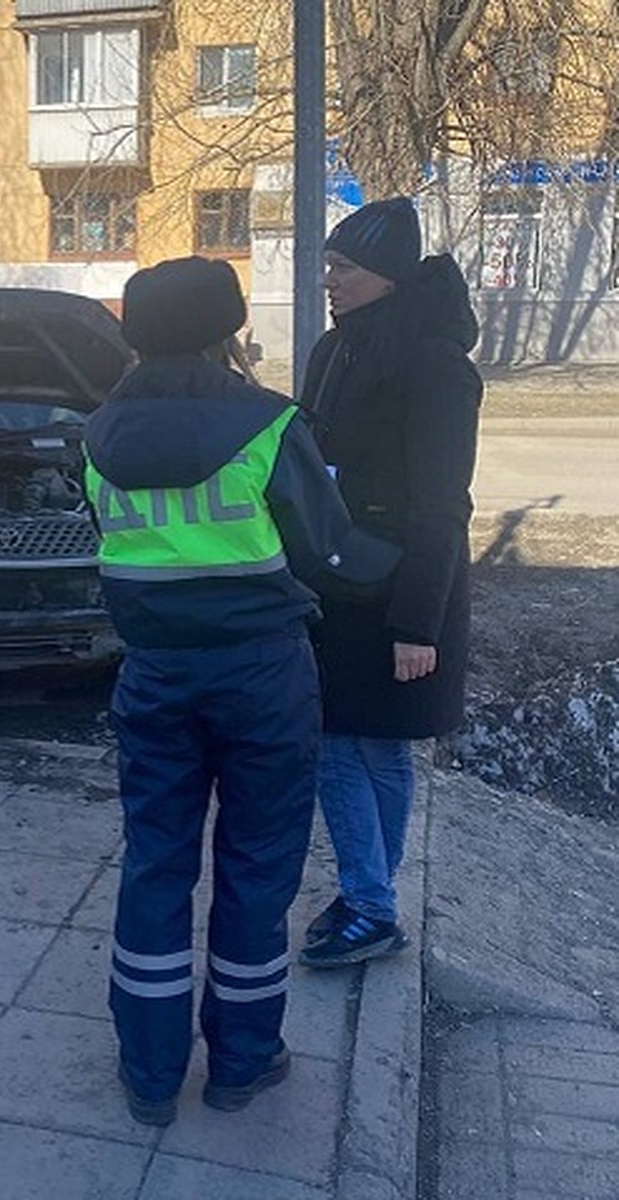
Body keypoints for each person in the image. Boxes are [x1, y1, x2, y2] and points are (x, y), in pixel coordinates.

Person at [83, 255, 399, 1125]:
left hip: (152, 675)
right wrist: (398, 564)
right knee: (258, 869)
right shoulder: (267, 423)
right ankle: (243, 1062)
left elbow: (108, 544)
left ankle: (149, 1074)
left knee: (154, 863)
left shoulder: (96, 434)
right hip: (261, 675)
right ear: (228, 331)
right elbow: (324, 551)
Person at [297, 198, 482, 968]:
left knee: (349, 746)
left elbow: (443, 505)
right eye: (330, 265)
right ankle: (371, 896)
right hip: (339, 579)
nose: (330, 279)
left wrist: (417, 625)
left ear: (389, 277)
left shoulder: (438, 367)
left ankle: (371, 904)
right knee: (365, 747)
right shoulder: (335, 349)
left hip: (401, 585)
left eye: (345, 267)